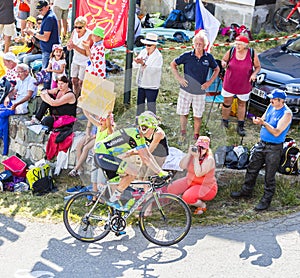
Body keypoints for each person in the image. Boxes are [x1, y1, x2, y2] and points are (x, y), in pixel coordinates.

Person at [230, 89, 293, 211]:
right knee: (252, 168)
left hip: (274, 148)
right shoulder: (271, 106)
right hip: (262, 143)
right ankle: (246, 191)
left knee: (269, 175)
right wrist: (258, 121)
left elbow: (276, 132)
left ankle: (266, 200)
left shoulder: (287, 114)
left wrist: (264, 123)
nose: (271, 101)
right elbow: (263, 119)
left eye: (273, 99)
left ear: (281, 101)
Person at [93, 120, 169, 210]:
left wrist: (160, 172)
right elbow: (146, 158)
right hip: (103, 155)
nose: (152, 133)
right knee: (133, 172)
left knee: (119, 186)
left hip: (108, 156)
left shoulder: (140, 138)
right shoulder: (135, 135)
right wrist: (160, 172)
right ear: (144, 129)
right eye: (151, 130)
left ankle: (115, 217)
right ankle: (113, 200)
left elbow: (148, 155)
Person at [170, 31, 220, 142]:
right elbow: (173, 64)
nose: (198, 46)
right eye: (196, 43)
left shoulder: (209, 58)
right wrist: (179, 78)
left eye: (200, 44)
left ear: (205, 45)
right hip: (185, 90)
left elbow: (217, 69)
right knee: (184, 113)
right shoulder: (187, 55)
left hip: (200, 92)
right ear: (193, 44)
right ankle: (183, 133)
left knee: (198, 115)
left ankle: (196, 136)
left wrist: (209, 82)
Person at [221, 35, 261, 136]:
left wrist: (254, 74)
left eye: (240, 44)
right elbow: (224, 60)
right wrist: (224, 63)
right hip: (230, 82)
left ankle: (240, 125)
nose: (237, 46)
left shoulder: (251, 53)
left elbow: (257, 67)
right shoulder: (231, 51)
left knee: (242, 104)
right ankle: (224, 121)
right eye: (236, 44)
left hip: (244, 84)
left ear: (245, 45)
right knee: (227, 103)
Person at [167, 136, 218, 215]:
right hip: (190, 181)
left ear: (207, 149)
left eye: (203, 148)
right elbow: (182, 166)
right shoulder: (192, 155)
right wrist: (189, 154)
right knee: (171, 189)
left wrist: (196, 158)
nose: (200, 150)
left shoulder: (209, 159)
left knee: (187, 197)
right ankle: (190, 198)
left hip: (206, 186)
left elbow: (198, 173)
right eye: (198, 147)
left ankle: (201, 205)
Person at [83, 110, 115, 205]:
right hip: (96, 156)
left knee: (101, 180)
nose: (100, 121)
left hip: (104, 158)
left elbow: (109, 125)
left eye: (103, 120)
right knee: (94, 178)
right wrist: (84, 106)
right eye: (100, 120)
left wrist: (108, 115)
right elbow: (88, 115)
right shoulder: (99, 126)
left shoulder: (109, 131)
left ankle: (101, 198)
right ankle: (94, 197)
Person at [25, 0, 59, 75]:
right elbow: (43, 30)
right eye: (39, 10)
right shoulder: (47, 16)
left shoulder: (49, 18)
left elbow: (45, 38)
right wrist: (33, 31)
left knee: (46, 73)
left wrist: (33, 33)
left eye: (41, 9)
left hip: (49, 50)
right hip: (47, 49)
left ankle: (46, 86)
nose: (40, 11)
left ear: (47, 7)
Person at [133, 33, 163, 116]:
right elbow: (134, 66)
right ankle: (138, 124)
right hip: (141, 83)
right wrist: (136, 61)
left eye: (149, 45)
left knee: (151, 107)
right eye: (146, 44)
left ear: (154, 46)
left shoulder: (158, 56)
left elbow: (153, 71)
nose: (147, 47)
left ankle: (153, 126)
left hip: (151, 86)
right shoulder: (143, 52)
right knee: (140, 106)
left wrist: (142, 63)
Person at [137, 111, 169, 179]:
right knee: (140, 175)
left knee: (148, 178)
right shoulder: (140, 129)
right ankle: (140, 189)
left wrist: (142, 157)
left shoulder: (158, 133)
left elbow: (149, 151)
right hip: (148, 153)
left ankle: (150, 189)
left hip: (159, 155)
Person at [67, 16, 92, 98]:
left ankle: (83, 99)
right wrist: (69, 46)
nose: (77, 29)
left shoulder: (89, 35)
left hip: (85, 61)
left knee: (81, 82)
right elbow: (70, 42)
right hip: (75, 59)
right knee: (74, 80)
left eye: (80, 27)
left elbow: (86, 53)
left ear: (85, 26)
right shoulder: (74, 32)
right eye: (76, 27)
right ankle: (75, 98)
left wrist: (74, 47)